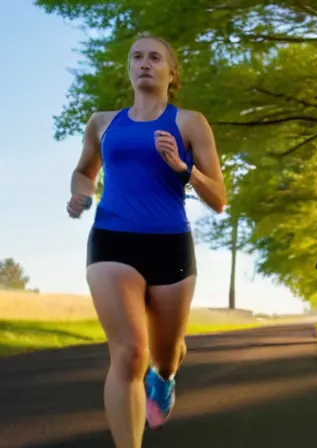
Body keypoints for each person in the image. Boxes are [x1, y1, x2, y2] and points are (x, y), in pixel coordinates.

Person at [66, 35, 227, 445]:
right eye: (136, 56)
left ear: (171, 74)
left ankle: (167, 375)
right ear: (129, 68)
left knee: (164, 356)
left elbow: (219, 200)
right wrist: (81, 193)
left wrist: (182, 167)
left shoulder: (190, 122)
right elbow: (84, 170)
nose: (144, 63)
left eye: (155, 58)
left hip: (170, 246)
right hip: (112, 241)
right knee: (128, 353)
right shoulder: (103, 123)